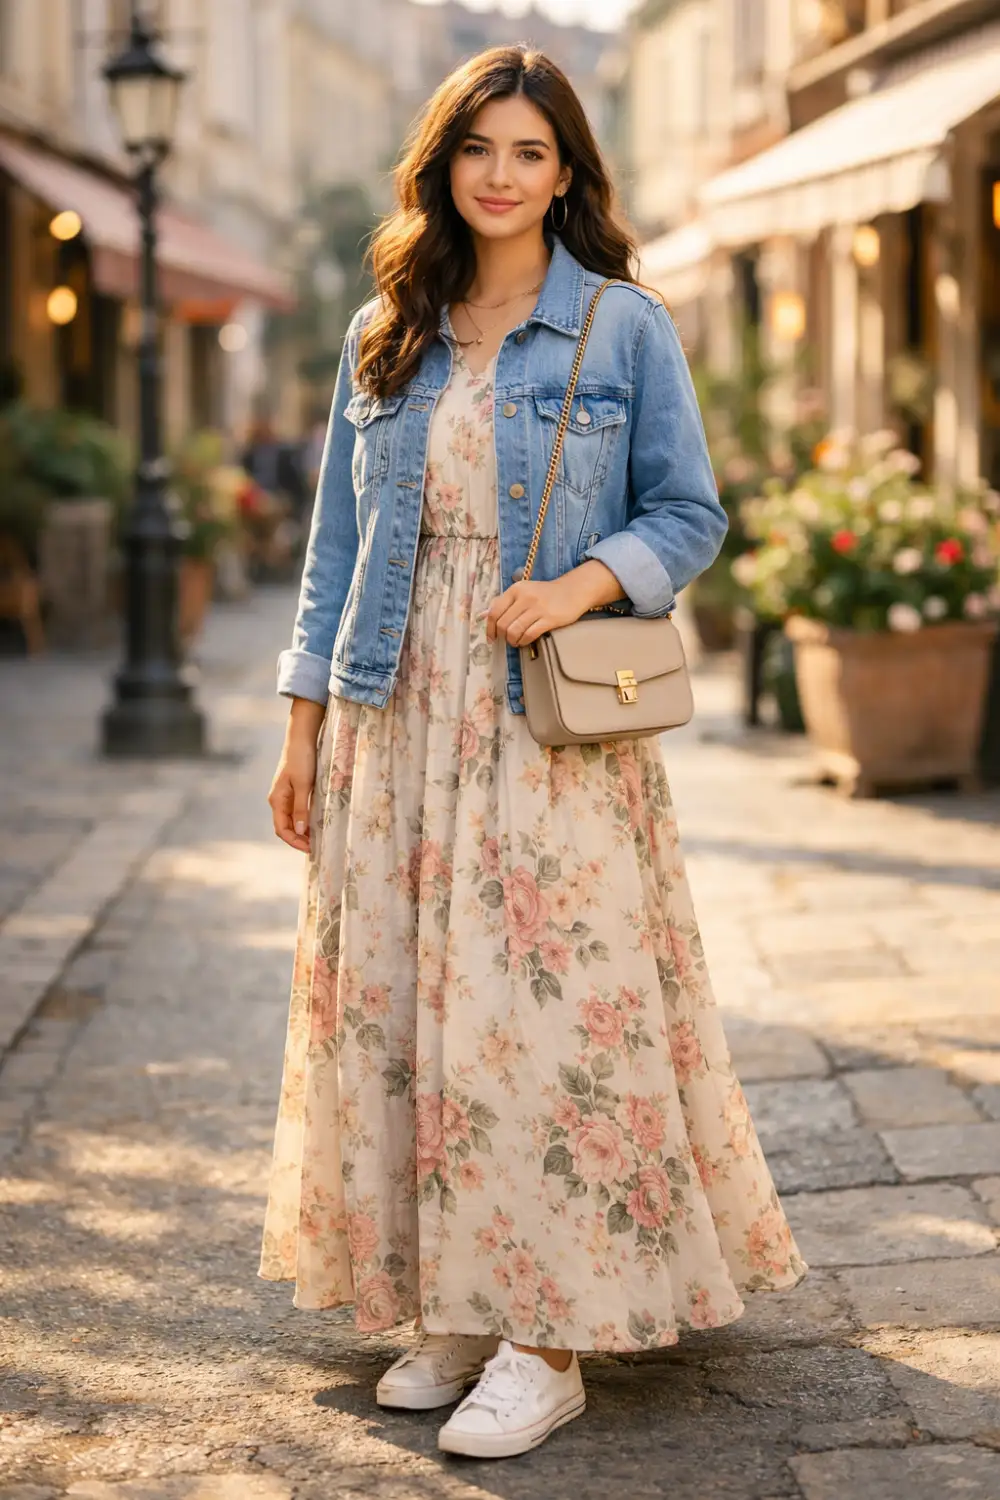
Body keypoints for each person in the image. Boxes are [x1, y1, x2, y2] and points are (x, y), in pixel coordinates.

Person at [261, 45, 806, 1461]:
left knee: (536, 1014)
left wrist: (581, 583)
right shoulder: (390, 326)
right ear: (442, 164)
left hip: (543, 724)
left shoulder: (623, 325)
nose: (500, 176)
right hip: (394, 714)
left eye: (529, 152)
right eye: (477, 150)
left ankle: (546, 1334)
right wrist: (304, 722)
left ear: (567, 173)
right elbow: (335, 553)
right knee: (406, 1008)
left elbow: (690, 514)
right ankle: (458, 1296)